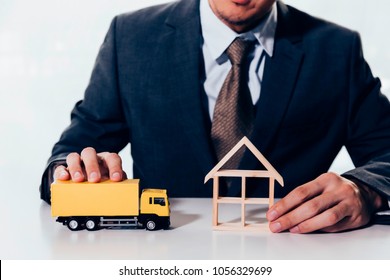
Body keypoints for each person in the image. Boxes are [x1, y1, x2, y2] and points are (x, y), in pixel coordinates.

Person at [40, 0, 390, 234]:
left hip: (292, 256)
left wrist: (366, 189)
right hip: (164, 260)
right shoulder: (130, 38)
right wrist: (73, 169)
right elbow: (76, 147)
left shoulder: (336, 50)